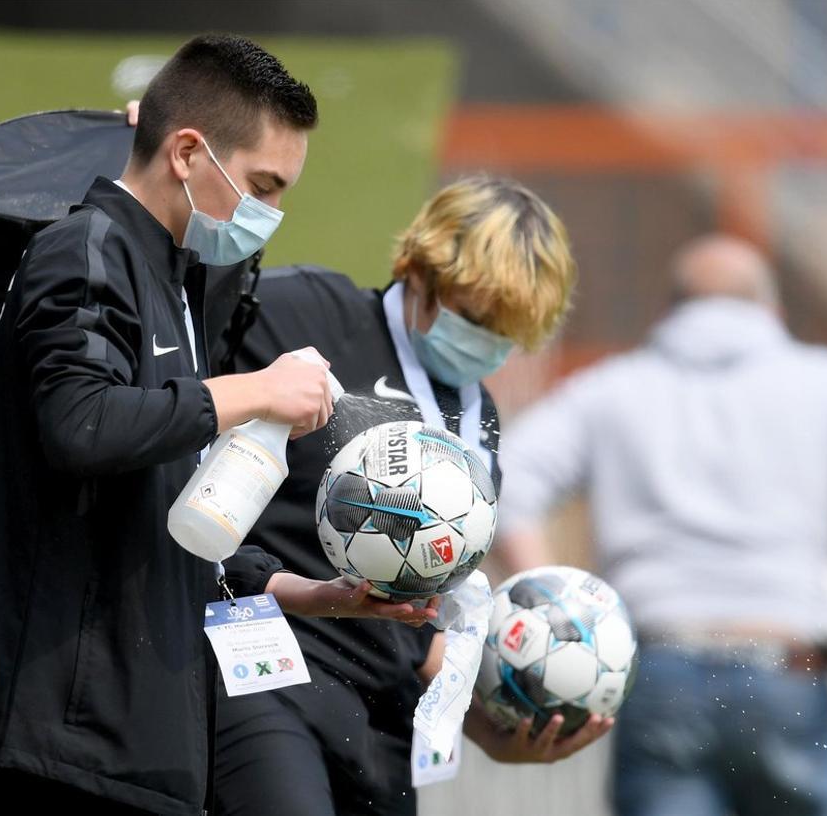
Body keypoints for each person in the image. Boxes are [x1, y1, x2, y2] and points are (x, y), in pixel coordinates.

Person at [0, 35, 431, 816]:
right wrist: (256, 392)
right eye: (263, 185)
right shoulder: (82, 249)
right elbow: (82, 424)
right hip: (56, 747)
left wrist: (312, 594)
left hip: (143, 754)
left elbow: (180, 517)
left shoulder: (175, 283)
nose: (271, 214)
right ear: (189, 152)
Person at [495, 234, 827, 816]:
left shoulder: (613, 389)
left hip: (660, 668)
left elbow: (507, 477)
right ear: (771, 310)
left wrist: (557, 612)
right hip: (788, 668)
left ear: (672, 311)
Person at [210, 176, 612, 816]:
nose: (484, 340)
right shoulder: (302, 310)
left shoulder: (478, 419)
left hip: (383, 719)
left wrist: (492, 729)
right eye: (475, 317)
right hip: (267, 667)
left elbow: (420, 616)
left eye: (505, 331)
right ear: (420, 270)